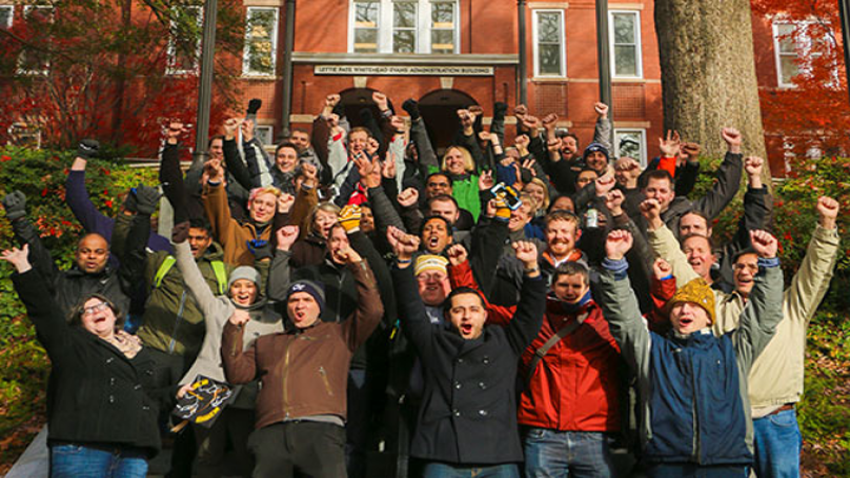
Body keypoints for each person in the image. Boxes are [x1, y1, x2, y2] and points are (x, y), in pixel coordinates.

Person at [598, 229, 784, 478]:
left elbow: (764, 318)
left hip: (726, 462)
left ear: (709, 317)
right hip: (666, 462)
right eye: (678, 306)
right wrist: (615, 263)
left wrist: (769, 264)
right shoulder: (653, 350)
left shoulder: (732, 349)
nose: (685, 310)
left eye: (695, 306)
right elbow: (624, 319)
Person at [389, 226, 547, 478]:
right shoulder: (434, 342)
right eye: (458, 310)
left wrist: (531, 268)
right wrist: (404, 261)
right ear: (447, 315)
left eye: (474, 310)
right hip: (444, 453)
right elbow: (410, 308)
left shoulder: (506, 341)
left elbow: (531, 312)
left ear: (485, 315)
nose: (466, 315)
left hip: (497, 453)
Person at [221, 243, 383, 478]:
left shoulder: (338, 334)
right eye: (293, 300)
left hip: (321, 430)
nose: (299, 305)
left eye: (307, 300)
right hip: (271, 432)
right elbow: (237, 373)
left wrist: (357, 263)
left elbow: (373, 310)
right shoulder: (267, 342)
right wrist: (232, 331)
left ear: (319, 306)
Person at [2, 245, 161, 478]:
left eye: (102, 305)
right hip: (84, 445)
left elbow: (151, 395)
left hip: (134, 449)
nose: (96, 310)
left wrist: (178, 393)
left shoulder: (139, 351)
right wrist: (24, 268)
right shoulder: (71, 345)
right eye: (87, 310)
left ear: (114, 313)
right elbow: (45, 312)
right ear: (80, 322)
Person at [169, 219, 286, 477]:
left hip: (247, 393)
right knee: (207, 453)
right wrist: (180, 246)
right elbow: (192, 277)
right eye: (237, 285)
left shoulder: (271, 319)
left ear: (258, 290)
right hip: (208, 387)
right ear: (230, 287)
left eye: (249, 286)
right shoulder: (216, 306)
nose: (243, 291)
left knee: (246, 453)